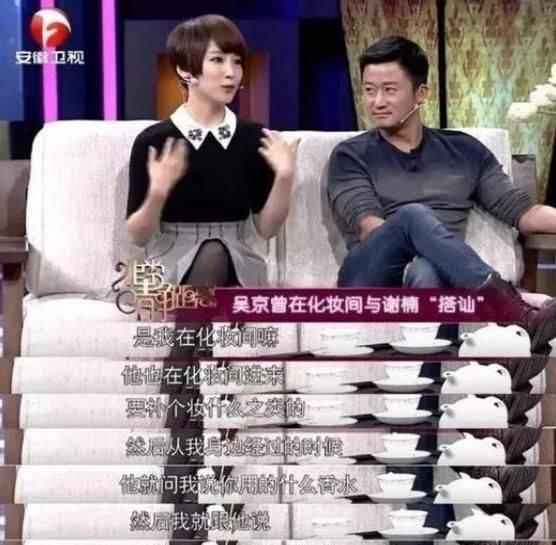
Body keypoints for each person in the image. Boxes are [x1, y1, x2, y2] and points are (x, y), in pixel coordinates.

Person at [125, 14, 297, 537]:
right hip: (168, 260)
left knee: (220, 249)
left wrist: (285, 177)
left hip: (238, 258)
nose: (231, 72)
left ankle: (180, 398)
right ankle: (191, 443)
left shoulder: (254, 140)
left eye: (236, 61)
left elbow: (264, 229)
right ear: (186, 71)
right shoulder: (156, 139)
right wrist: (158, 190)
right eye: (217, 60)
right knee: (209, 252)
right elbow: (138, 234)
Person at [327, 35, 556, 352]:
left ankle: (433, 377)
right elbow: (369, 228)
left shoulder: (464, 151)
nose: (377, 101)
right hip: (370, 276)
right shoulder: (351, 155)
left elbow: (523, 212)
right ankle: (509, 307)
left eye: (389, 90)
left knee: (428, 269)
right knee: (412, 217)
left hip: (437, 273)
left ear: (421, 93)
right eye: (369, 90)